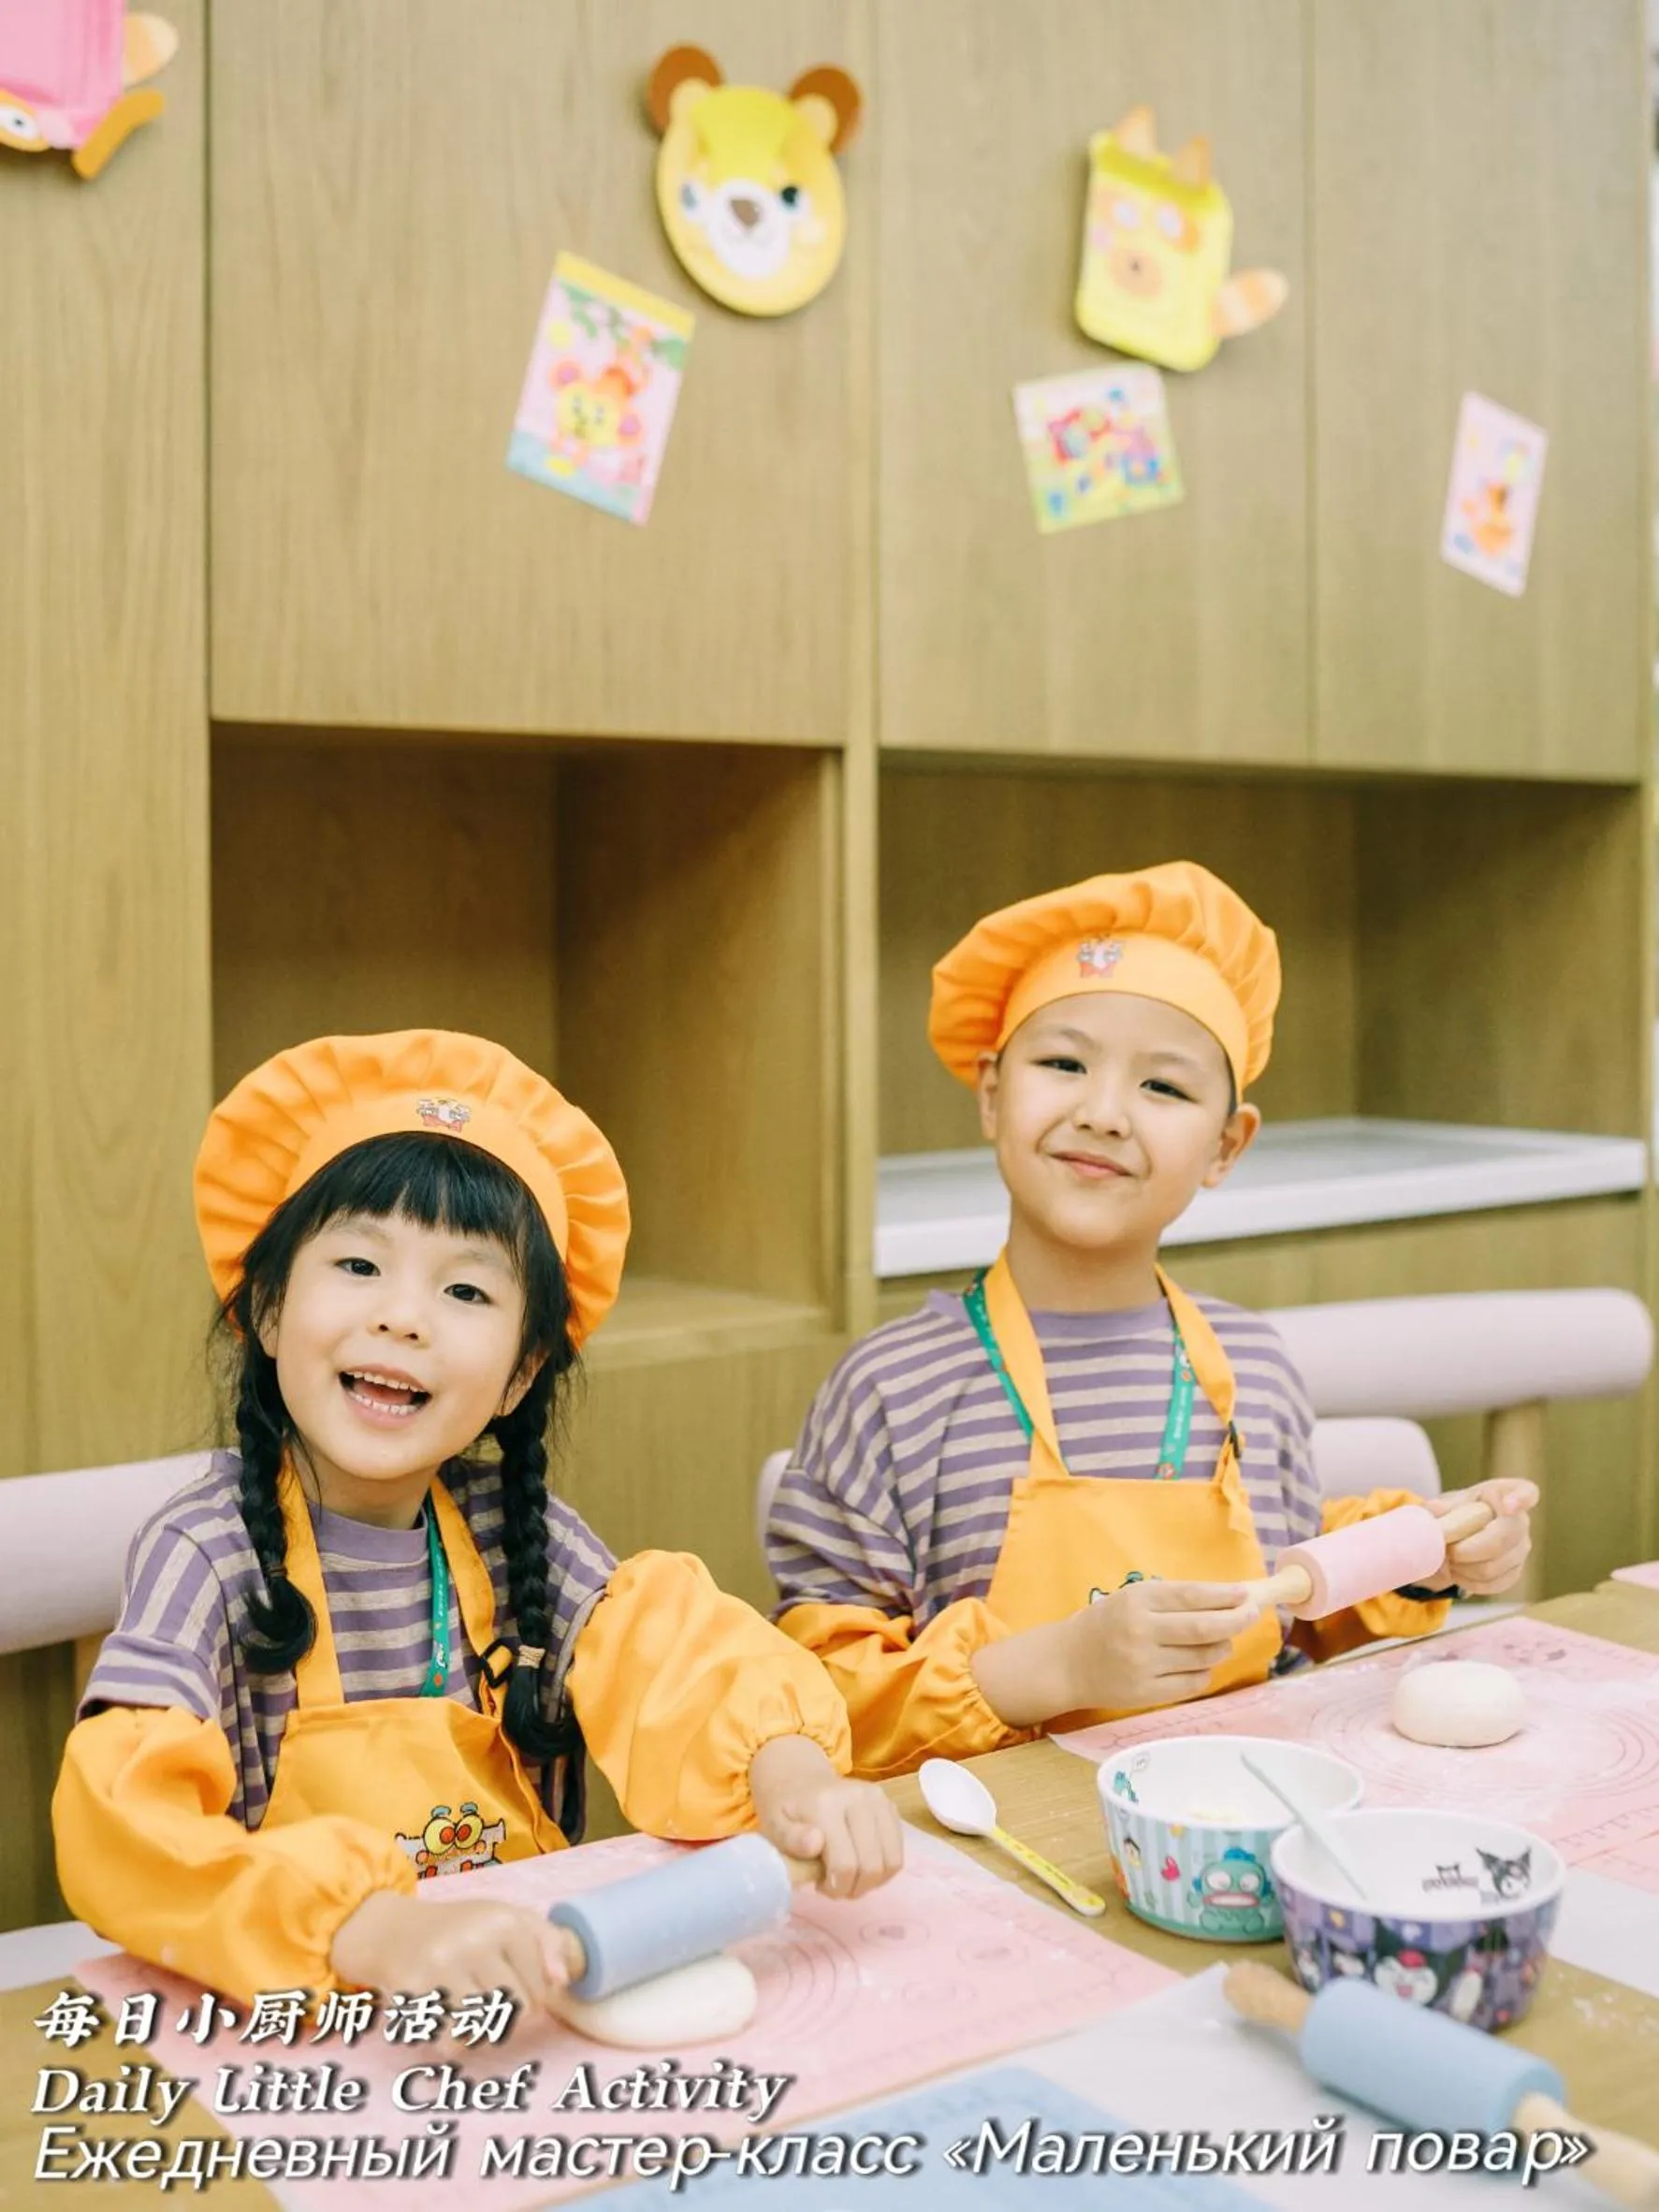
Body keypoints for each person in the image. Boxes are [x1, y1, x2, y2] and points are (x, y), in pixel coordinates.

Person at [56, 1029, 903, 2007]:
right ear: (270, 1311)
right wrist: (364, 1927)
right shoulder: (205, 1551)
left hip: (522, 1999)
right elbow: (123, 1816)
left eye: (463, 1289)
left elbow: (683, 1656)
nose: (404, 1317)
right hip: (301, 2013)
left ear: (521, 1372)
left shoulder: (518, 1532)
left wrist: (792, 1778)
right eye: (360, 1266)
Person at [766, 864, 1535, 1778]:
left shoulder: (1253, 1365)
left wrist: (1426, 1551)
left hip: (1249, 1811)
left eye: (1163, 1088)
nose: (1102, 1113)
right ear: (990, 1093)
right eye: (1062, 1064)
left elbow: (1295, 1601)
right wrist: (1059, 1665)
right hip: (997, 1850)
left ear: (1226, 1146)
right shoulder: (893, 1390)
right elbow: (816, 1698)